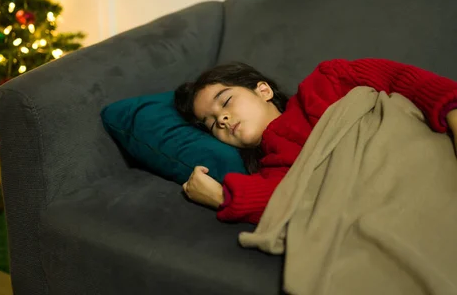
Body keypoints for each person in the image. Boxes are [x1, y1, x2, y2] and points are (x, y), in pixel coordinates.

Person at [174, 59, 457, 225]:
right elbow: (283, 205)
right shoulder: (273, 165)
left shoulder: (325, 82)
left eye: (225, 101)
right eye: (212, 123)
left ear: (263, 90)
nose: (222, 118)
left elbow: (403, 81)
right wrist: (220, 196)